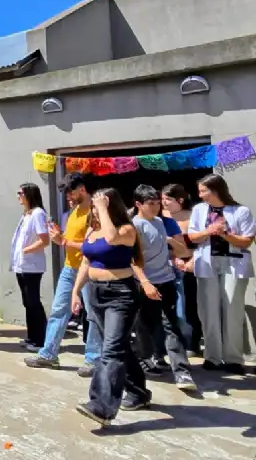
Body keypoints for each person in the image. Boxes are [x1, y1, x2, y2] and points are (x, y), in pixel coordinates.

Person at [71, 188, 151, 426]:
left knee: (111, 351)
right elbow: (86, 260)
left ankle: (102, 407)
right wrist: (76, 291)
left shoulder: (126, 230)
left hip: (121, 294)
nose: (93, 209)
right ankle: (138, 393)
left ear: (110, 205)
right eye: (95, 205)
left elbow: (112, 239)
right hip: (95, 292)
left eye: (98, 205)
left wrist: (104, 209)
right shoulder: (93, 230)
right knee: (119, 347)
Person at [25, 173, 101, 378]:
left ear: (82, 189)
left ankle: (94, 360)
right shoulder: (74, 211)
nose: (68, 197)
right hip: (70, 269)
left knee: (92, 315)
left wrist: (63, 241)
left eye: (71, 192)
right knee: (58, 310)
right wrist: (61, 236)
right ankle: (48, 354)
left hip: (89, 270)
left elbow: (94, 244)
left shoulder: (96, 212)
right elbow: (72, 239)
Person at [130, 185, 196, 390]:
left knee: (171, 326)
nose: (157, 207)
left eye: (158, 202)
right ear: (138, 204)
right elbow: (132, 259)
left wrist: (170, 242)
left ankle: (182, 372)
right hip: (146, 284)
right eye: (151, 204)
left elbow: (182, 250)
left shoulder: (160, 222)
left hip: (166, 281)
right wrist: (145, 283)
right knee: (145, 326)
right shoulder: (134, 226)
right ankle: (145, 358)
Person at [187, 173, 254, 375]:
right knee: (208, 310)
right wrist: (209, 231)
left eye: (203, 191)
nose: (200, 195)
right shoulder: (199, 210)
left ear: (215, 190)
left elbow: (246, 241)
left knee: (232, 308)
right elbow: (192, 236)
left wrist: (225, 234)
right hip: (207, 262)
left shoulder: (240, 210)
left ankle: (233, 359)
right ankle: (212, 357)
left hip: (234, 262)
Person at [10, 183, 50, 351]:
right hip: (22, 266)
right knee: (27, 302)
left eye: (21, 193)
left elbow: (45, 239)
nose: (18, 195)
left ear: (29, 195)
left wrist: (27, 249)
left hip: (32, 266)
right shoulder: (26, 214)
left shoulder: (38, 214)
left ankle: (41, 339)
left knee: (33, 302)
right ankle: (32, 336)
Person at [162, 183, 201, 355]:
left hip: (188, 264)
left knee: (188, 304)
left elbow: (200, 244)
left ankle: (191, 342)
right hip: (165, 264)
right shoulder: (160, 217)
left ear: (180, 200)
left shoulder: (192, 217)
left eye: (168, 199)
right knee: (169, 306)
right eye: (162, 199)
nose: (164, 203)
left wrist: (190, 259)